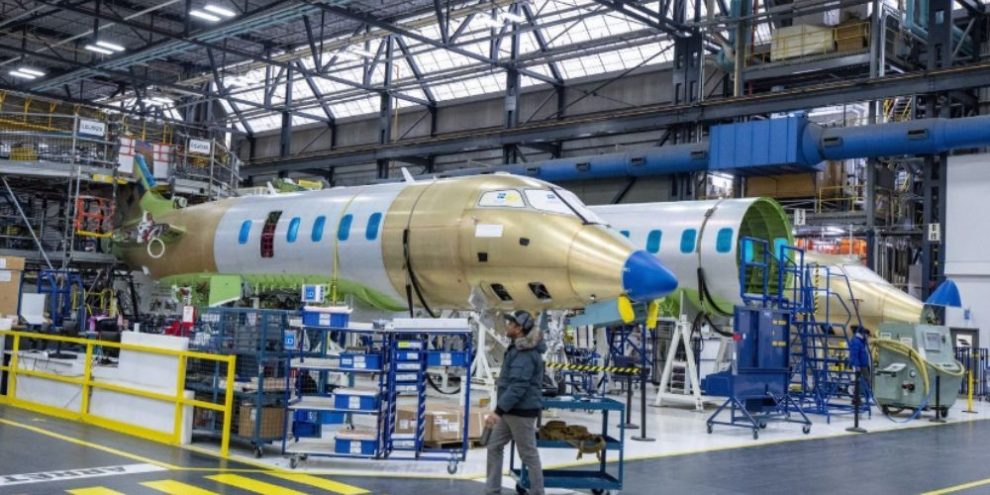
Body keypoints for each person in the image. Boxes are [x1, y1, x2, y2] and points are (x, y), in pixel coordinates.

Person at [485, 310, 546, 495]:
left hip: (521, 412)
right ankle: (492, 490)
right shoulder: (516, 347)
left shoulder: (525, 354)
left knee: (528, 455)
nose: (507, 326)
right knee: (494, 446)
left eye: (510, 323)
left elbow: (517, 387)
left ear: (519, 329)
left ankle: (538, 492)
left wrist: (498, 411)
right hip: (510, 410)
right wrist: (501, 410)